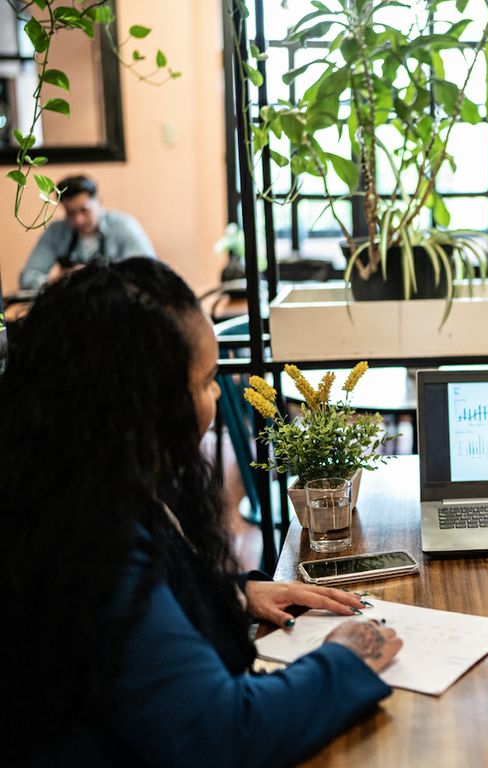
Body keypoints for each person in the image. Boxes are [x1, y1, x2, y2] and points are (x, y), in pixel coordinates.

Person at [0, 259, 402, 766]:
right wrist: (344, 656)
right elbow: (221, 733)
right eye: (208, 381)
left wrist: (231, 594)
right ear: (146, 403)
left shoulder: (55, 489)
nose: (215, 394)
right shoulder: (95, 543)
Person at [18, 173, 155, 292]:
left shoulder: (124, 226)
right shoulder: (56, 232)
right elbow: (27, 278)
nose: (78, 220)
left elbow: (146, 274)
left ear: (99, 203)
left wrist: (98, 277)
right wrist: (57, 280)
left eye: (84, 210)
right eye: (70, 213)